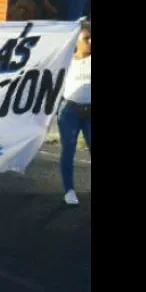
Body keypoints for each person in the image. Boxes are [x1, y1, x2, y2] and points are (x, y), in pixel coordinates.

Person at [57, 20, 91, 206]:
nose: (90, 42)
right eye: (86, 39)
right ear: (76, 41)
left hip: (90, 112)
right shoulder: (64, 62)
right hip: (69, 111)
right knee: (68, 150)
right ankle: (69, 190)